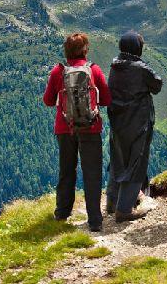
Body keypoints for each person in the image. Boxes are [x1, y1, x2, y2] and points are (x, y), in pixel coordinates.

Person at [43, 32, 112, 232]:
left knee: (66, 170)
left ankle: (62, 213)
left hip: (65, 128)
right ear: (85, 49)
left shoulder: (58, 71)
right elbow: (106, 99)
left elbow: (48, 101)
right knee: (92, 173)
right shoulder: (94, 70)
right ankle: (95, 220)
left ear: (66, 50)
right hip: (90, 128)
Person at [106, 31, 162, 223]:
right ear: (137, 48)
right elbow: (157, 84)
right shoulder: (140, 68)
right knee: (136, 162)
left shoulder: (114, 66)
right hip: (138, 122)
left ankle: (112, 203)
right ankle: (124, 209)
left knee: (118, 159)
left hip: (117, 122)